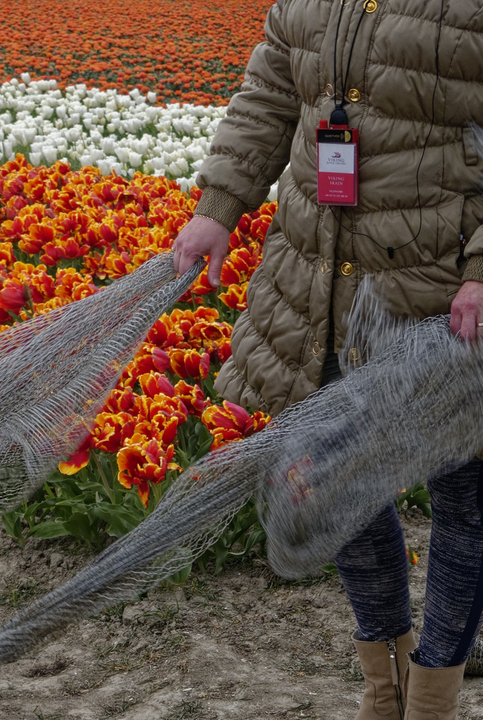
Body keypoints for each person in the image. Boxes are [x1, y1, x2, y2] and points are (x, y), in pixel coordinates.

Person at [171, 1, 483, 718]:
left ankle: (432, 701)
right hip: (324, 279)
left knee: (463, 497)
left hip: (442, 285)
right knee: (341, 483)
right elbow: (271, 92)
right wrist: (218, 206)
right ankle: (386, 688)